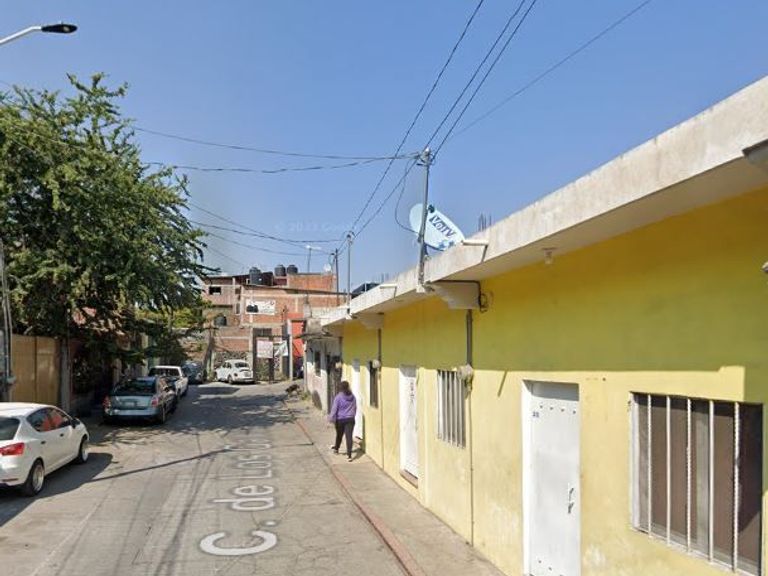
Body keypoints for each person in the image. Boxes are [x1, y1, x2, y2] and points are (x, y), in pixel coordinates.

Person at [329, 380, 357, 461]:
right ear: (348, 387)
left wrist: (331, 419)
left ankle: (336, 449)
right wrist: (352, 416)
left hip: (340, 420)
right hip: (350, 419)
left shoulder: (338, 397)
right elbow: (355, 408)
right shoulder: (353, 397)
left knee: (339, 435)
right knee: (349, 437)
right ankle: (349, 455)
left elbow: (334, 409)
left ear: (341, 388)